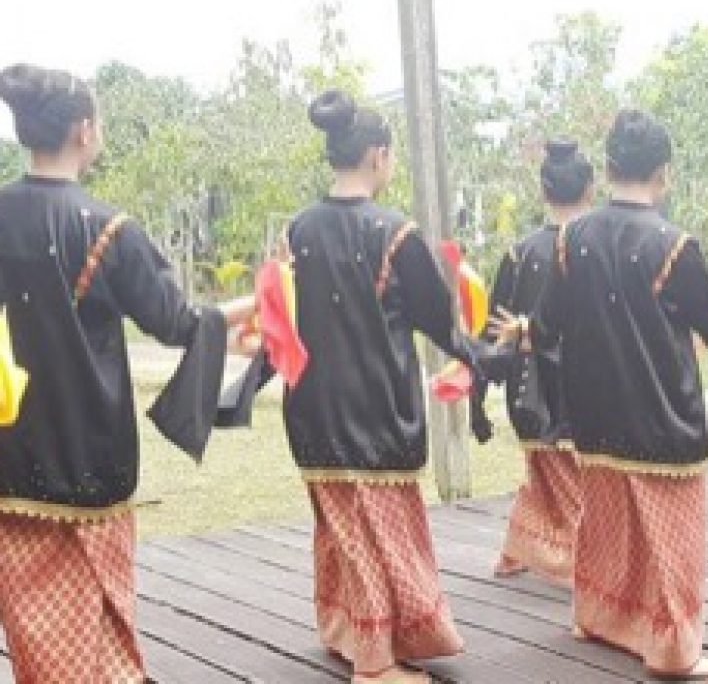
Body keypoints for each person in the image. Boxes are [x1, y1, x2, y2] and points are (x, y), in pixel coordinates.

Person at [0, 64, 251, 682]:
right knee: (102, 613)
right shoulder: (109, 228)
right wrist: (250, 310)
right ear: (84, 131)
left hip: (9, 451)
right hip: (93, 452)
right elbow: (176, 322)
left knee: (35, 619)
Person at [533, 110, 708, 679]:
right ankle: (675, 649)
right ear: (664, 173)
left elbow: (547, 321)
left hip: (595, 414)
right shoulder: (673, 244)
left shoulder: (572, 237)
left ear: (607, 168)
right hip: (660, 415)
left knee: (606, 525)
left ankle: (597, 617)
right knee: (673, 539)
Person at [280, 89, 481, 683]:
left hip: (313, 405)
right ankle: (375, 663)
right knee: (378, 533)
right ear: (378, 156)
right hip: (376, 409)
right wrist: (483, 356)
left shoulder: (299, 228)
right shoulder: (395, 233)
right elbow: (438, 320)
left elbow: (283, 315)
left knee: (344, 531)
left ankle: (349, 633)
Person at [479, 138, 592, 587]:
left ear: (543, 190)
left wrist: (476, 394)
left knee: (545, 476)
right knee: (574, 484)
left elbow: (493, 329)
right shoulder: (599, 248)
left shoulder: (520, 253)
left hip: (532, 386)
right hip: (586, 387)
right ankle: (579, 561)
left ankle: (519, 549)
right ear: (591, 188)